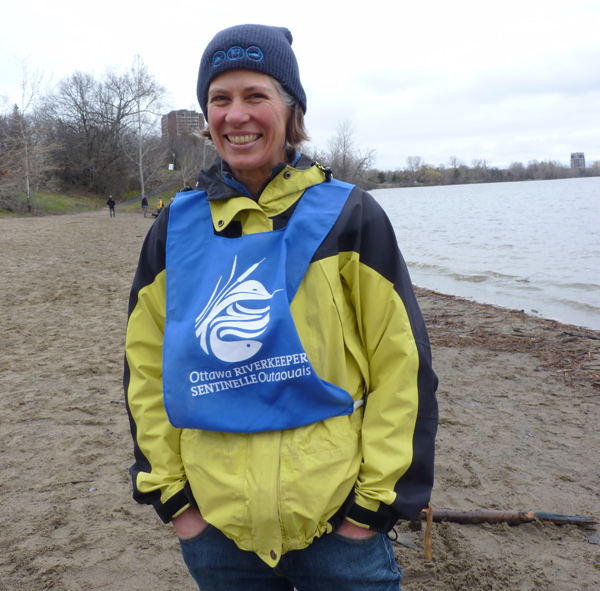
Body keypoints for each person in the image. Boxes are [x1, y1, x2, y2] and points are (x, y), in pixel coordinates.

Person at [124, 24, 438, 591]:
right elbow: (146, 371)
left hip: (341, 530)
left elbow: (402, 367)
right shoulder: (174, 228)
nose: (235, 115)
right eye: (220, 99)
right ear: (206, 116)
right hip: (218, 533)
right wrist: (176, 503)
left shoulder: (350, 217)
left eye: (255, 96)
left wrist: (372, 510)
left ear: (291, 111)